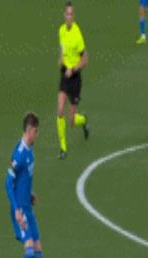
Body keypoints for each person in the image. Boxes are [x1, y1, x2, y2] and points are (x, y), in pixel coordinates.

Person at [5, 113, 43, 258]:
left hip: (27, 208)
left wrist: (29, 194)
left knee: (38, 256)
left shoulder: (30, 151)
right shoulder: (19, 154)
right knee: (29, 251)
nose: (37, 135)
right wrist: (17, 209)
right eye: (36, 131)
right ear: (29, 131)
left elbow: (23, 180)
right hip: (20, 212)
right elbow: (7, 183)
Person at [57, 1, 90, 160]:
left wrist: (74, 69)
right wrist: (60, 60)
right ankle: (63, 148)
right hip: (65, 75)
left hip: (75, 78)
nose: (69, 17)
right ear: (64, 15)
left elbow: (85, 60)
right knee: (59, 110)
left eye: (71, 14)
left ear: (73, 16)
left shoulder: (77, 34)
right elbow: (62, 49)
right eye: (67, 14)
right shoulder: (61, 30)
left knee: (71, 121)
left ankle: (83, 120)